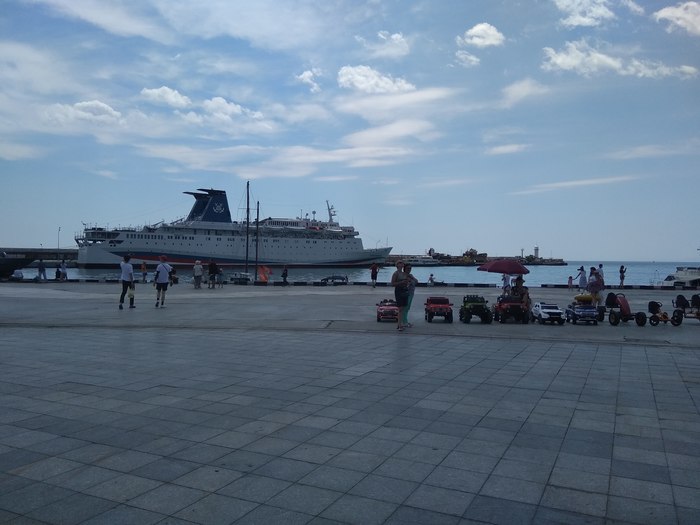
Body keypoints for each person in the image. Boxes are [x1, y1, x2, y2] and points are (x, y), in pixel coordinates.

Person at [390, 260, 409, 331]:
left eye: (402, 263)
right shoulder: (396, 273)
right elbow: (392, 283)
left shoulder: (404, 273)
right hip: (399, 291)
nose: (401, 264)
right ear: (397, 265)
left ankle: (401, 323)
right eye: (399, 263)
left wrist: (407, 283)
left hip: (404, 290)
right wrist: (401, 282)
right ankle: (399, 325)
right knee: (400, 308)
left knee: (403, 308)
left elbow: (407, 281)